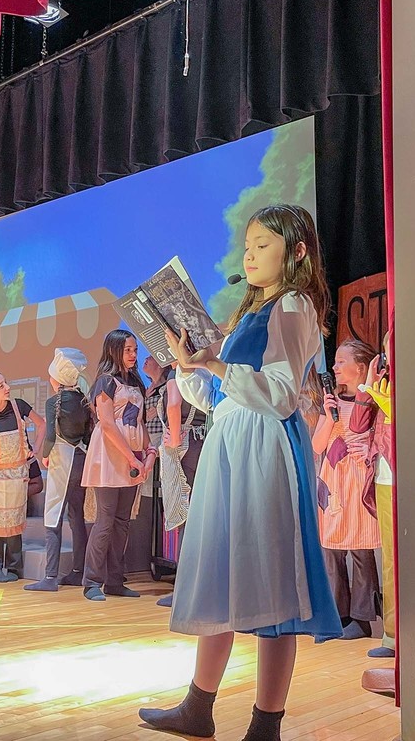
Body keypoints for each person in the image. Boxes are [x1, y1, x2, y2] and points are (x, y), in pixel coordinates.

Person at [139, 205, 342, 741]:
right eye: (247, 244)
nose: (248, 254)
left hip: (266, 449)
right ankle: (198, 707)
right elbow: (219, 396)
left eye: (262, 244)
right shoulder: (250, 312)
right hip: (231, 442)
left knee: (273, 585)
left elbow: (278, 394)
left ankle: (264, 726)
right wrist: (189, 367)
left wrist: (213, 364)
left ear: (296, 252)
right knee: (222, 576)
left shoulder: (295, 304)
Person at [313, 340, 381, 641]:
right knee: (330, 547)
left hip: (357, 476)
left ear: (361, 368)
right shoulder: (332, 403)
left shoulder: (373, 402)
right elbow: (317, 445)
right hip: (333, 478)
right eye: (336, 362)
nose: (335, 367)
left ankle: (362, 618)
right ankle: (336, 614)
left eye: (342, 362)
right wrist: (329, 419)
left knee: (359, 547)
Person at [80, 330, 155, 601]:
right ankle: (91, 581)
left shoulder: (135, 382)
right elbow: (108, 425)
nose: (134, 355)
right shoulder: (105, 382)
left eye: (135, 349)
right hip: (110, 455)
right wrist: (132, 457)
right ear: (114, 351)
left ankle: (114, 580)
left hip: (132, 454)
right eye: (128, 350)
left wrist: (149, 449)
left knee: (123, 522)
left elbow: (139, 422)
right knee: (105, 520)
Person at [25, 348, 92, 592]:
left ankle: (50, 577)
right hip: (81, 458)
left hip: (62, 458)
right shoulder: (84, 400)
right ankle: (78, 571)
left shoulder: (54, 401)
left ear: (57, 378)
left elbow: (51, 436)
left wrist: (44, 456)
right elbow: (88, 434)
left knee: (53, 515)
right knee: (77, 517)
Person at [0, 371, 46, 582]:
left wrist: (36, 449)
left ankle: (13, 568)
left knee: (14, 519)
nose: (7, 387)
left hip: (18, 474)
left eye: (5, 383)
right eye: (1, 385)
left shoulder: (18, 405)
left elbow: (42, 424)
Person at [351, 330, 396, 660]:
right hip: (382, 477)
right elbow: (356, 425)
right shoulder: (383, 381)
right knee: (391, 563)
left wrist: (387, 403)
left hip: (408, 476)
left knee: (407, 561)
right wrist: (369, 385)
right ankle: (393, 637)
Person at [154, 364, 208, 607]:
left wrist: (174, 439)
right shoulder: (205, 370)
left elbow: (173, 403)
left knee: (186, 518)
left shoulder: (179, 372)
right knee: (204, 519)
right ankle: (203, 588)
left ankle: (184, 591)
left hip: (186, 447)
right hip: (205, 443)